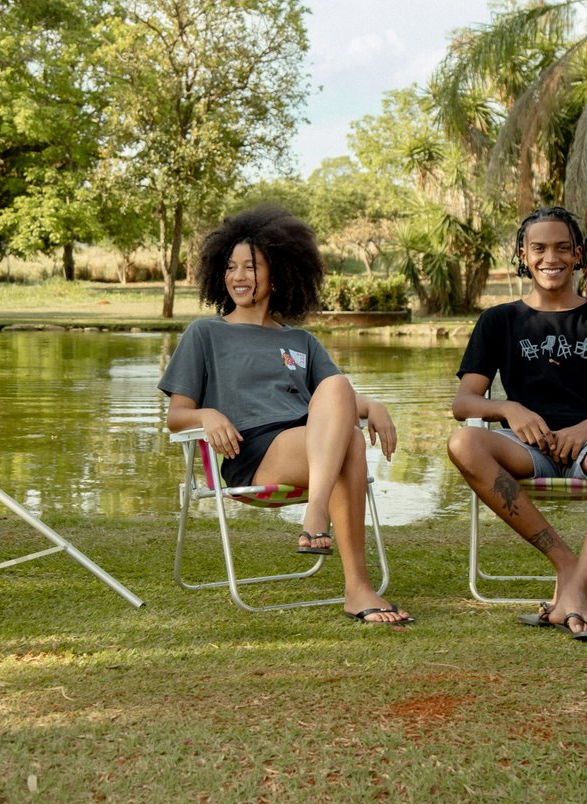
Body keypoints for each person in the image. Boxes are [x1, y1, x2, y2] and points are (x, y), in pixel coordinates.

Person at [159, 204, 411, 626]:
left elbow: (335, 398)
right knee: (348, 435)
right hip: (254, 450)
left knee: (339, 393)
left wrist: (375, 406)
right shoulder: (206, 333)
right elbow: (176, 416)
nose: (238, 276)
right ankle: (350, 574)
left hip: (313, 440)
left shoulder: (301, 341)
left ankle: (335, 549)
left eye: (251, 267)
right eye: (231, 267)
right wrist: (208, 415)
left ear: (277, 275)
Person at [447, 205, 587, 643]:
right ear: (523, 255)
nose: (551, 258)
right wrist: (510, 409)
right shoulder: (499, 321)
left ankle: (575, 591)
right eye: (539, 248)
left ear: (578, 254)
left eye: (562, 248)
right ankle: (567, 566)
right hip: (526, 448)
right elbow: (464, 402)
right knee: (464, 443)